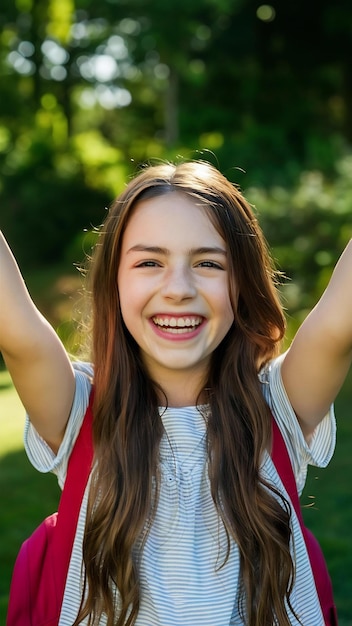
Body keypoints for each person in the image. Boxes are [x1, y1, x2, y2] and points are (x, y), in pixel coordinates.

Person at [1, 160, 351, 626]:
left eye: (208, 263)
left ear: (242, 284)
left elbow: (337, 323)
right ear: (115, 282)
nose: (179, 289)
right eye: (150, 262)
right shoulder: (80, 409)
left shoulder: (279, 407)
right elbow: (19, 333)